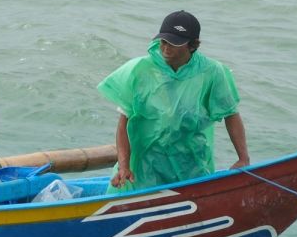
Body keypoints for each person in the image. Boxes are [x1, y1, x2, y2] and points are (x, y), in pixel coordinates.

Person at [97, 10, 249, 193]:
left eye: (175, 43)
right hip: (145, 166)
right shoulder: (140, 70)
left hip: (190, 163)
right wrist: (123, 166)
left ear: (192, 45)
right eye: (163, 42)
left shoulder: (212, 72)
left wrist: (243, 158)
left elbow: (230, 114)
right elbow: (123, 124)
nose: (166, 48)